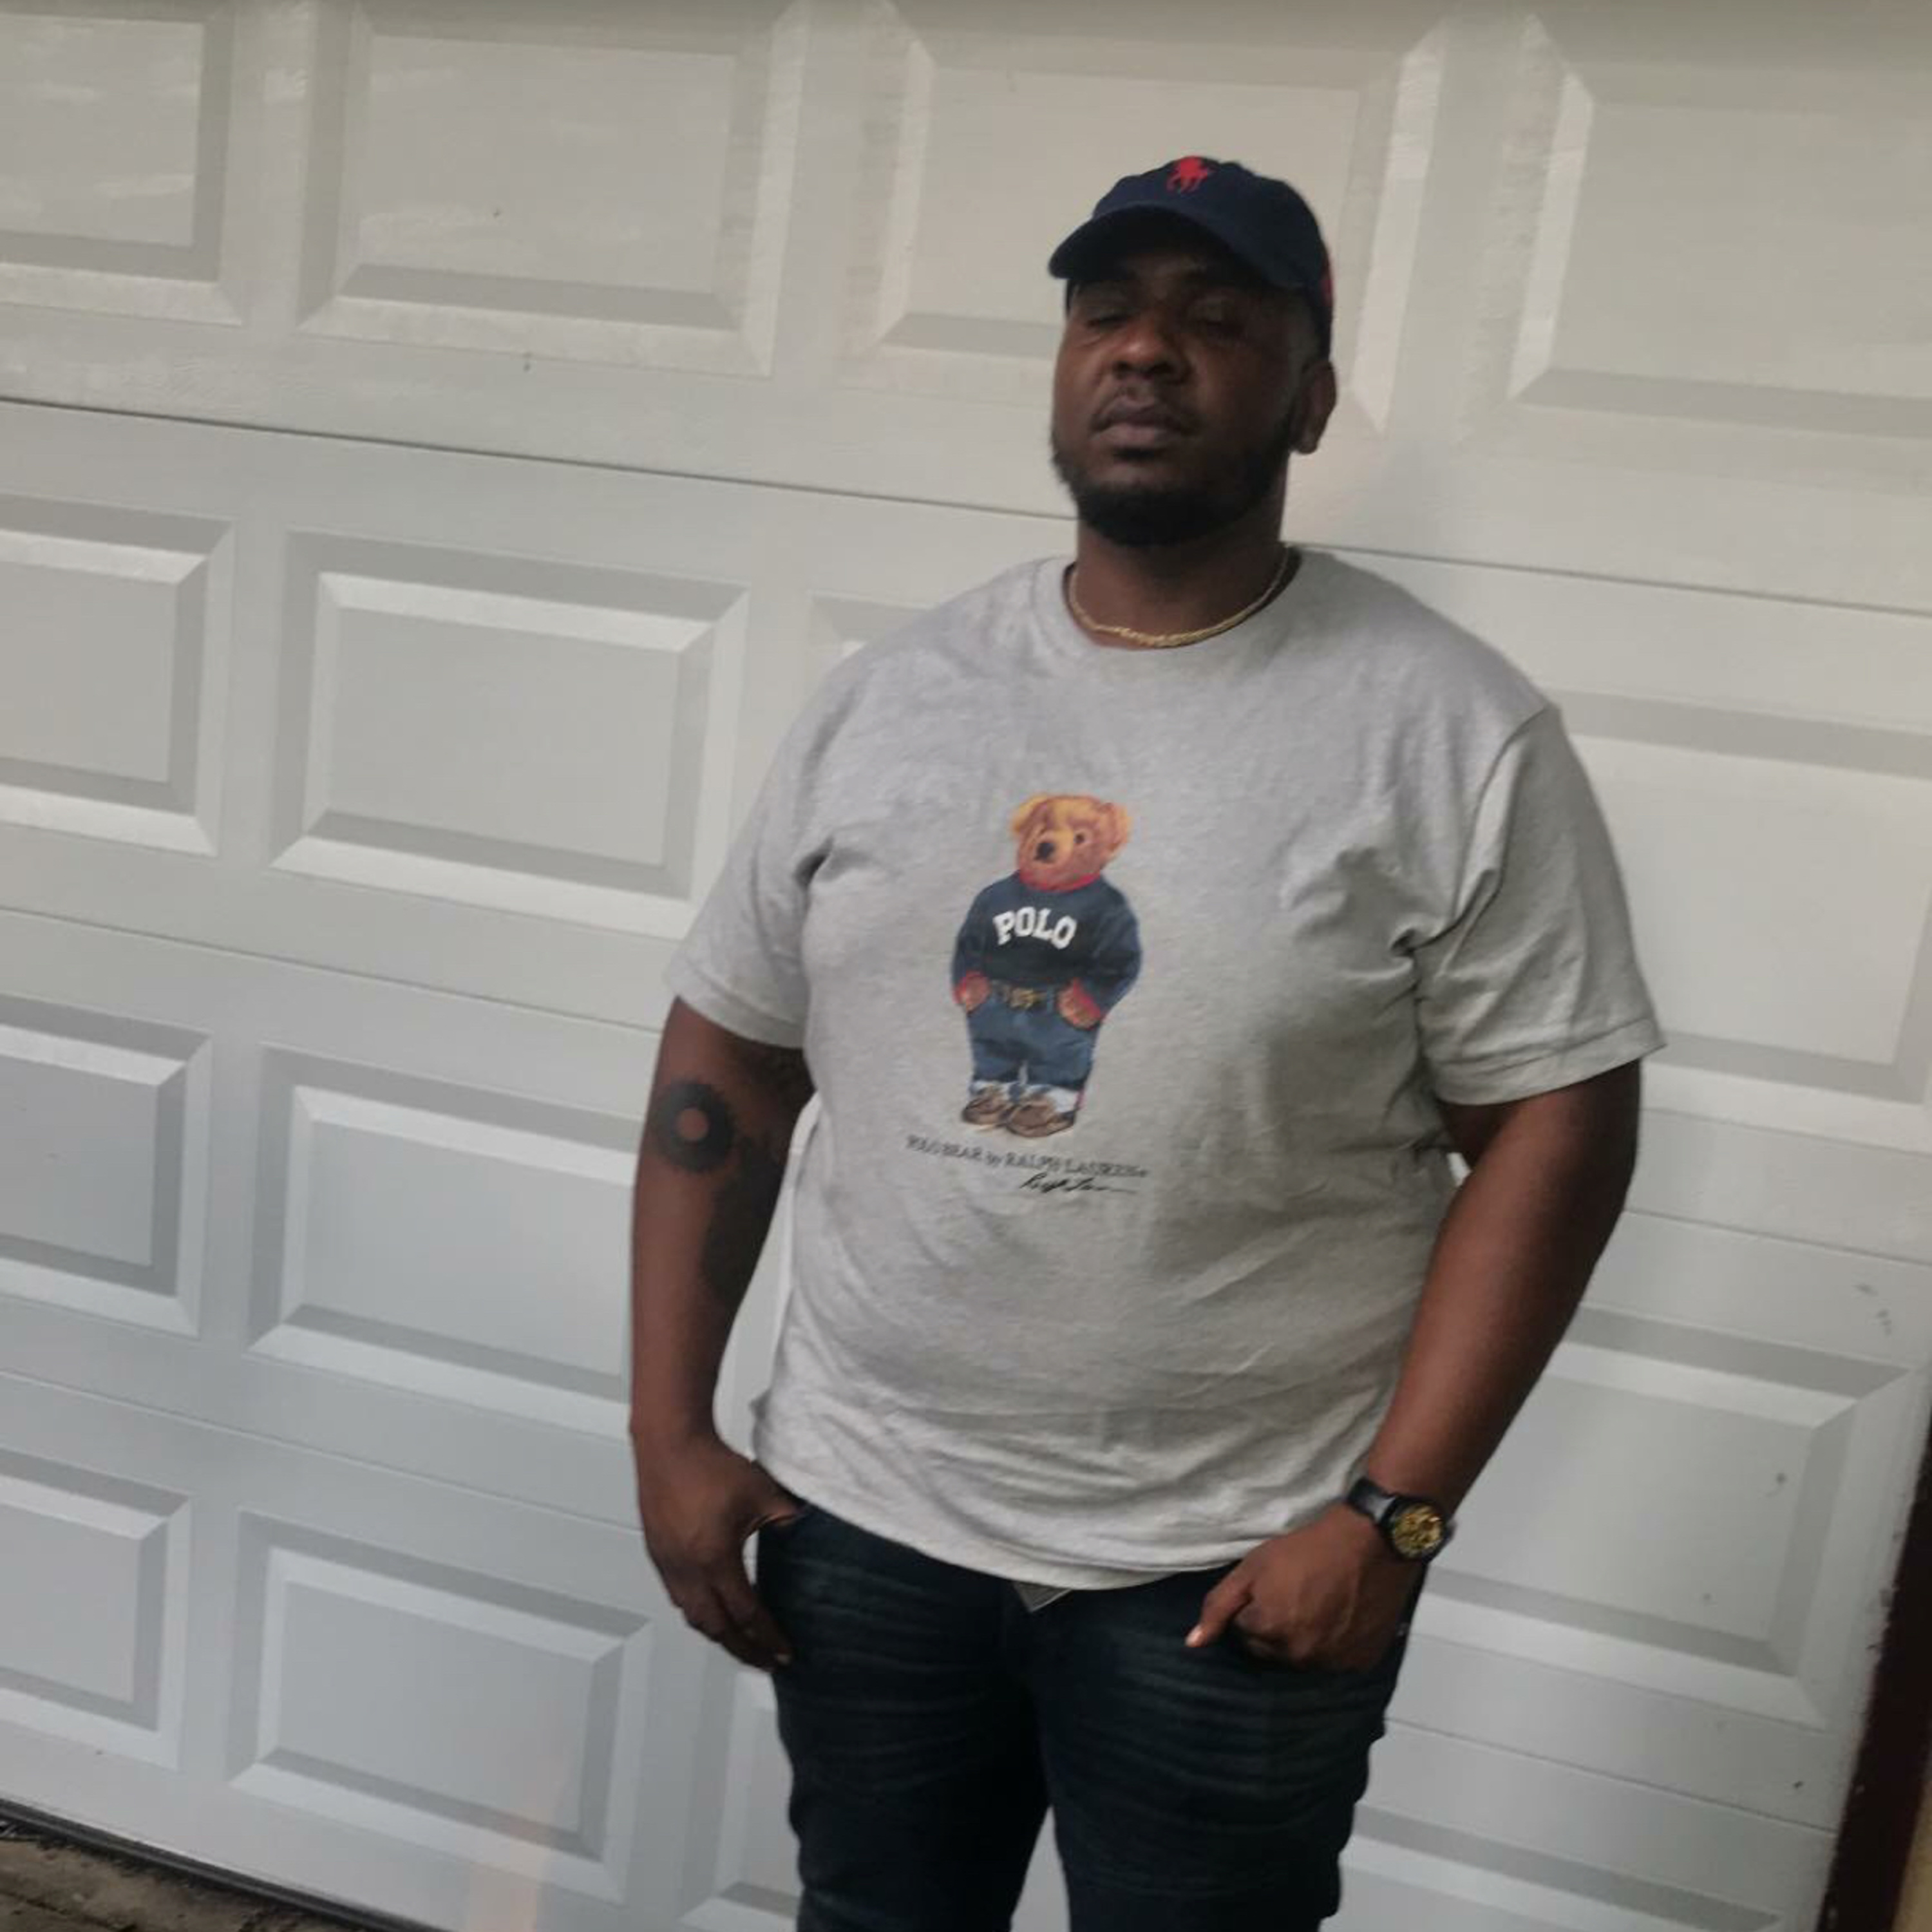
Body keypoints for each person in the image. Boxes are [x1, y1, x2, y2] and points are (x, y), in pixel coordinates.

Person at [630, 156, 1663, 1931]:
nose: (1145, 351)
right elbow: (729, 1059)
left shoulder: (1448, 732)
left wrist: (1394, 1520)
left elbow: (1557, 1126)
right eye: (1106, 313)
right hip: (865, 1525)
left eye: (1218, 320)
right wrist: (669, 1429)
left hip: (1236, 1565)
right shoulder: (892, 699)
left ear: (1311, 397)